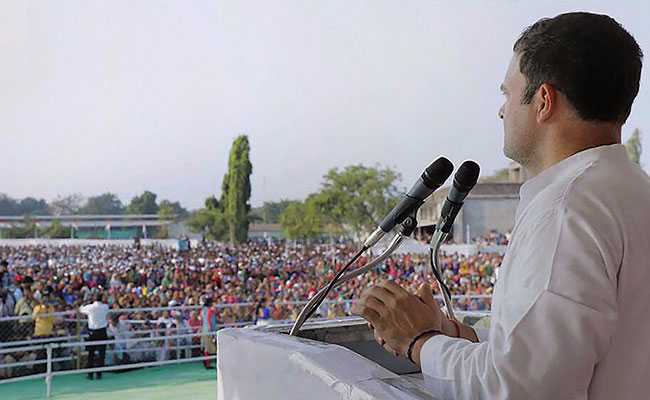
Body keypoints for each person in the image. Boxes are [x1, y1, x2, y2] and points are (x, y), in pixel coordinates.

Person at [352, 12, 648, 399]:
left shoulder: (567, 210)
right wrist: (453, 332)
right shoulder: (632, 191)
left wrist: (418, 341)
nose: (501, 110)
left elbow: (521, 386)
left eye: (507, 92)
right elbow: (562, 347)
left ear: (543, 101)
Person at [80, 295, 109, 380]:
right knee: (101, 353)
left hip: (93, 332)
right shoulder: (105, 307)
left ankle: (90, 374)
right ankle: (99, 374)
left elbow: (81, 309)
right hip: (102, 331)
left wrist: (84, 303)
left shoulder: (90, 307)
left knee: (91, 353)